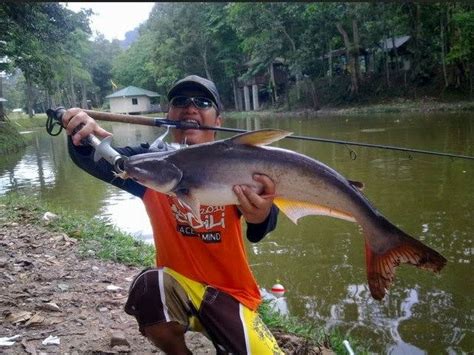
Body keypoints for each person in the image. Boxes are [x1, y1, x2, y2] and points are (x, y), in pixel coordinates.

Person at [62, 75, 283, 354]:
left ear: (217, 120)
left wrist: (260, 215)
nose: (190, 108)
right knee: (149, 287)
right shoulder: (151, 165)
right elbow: (101, 161)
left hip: (232, 296)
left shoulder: (235, 163)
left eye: (202, 102)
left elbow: (262, 226)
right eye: (180, 102)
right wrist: (83, 135)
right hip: (175, 293)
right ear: (168, 114)